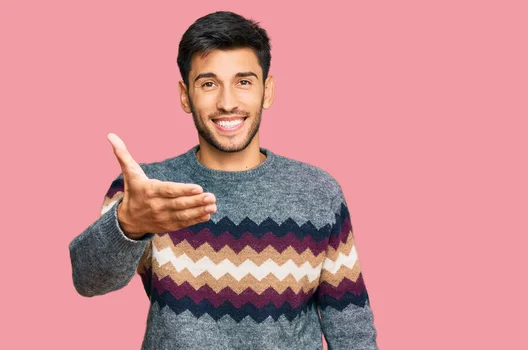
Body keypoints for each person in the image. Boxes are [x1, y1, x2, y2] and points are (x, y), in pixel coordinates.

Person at [69, 11, 378, 350]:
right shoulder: (148, 189)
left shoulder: (319, 193)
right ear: (186, 95)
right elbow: (88, 280)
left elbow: (351, 328)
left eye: (243, 82)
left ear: (267, 91)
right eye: (208, 84)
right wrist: (128, 224)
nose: (227, 103)